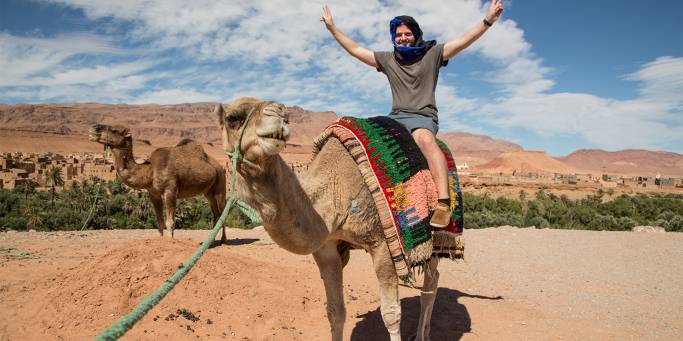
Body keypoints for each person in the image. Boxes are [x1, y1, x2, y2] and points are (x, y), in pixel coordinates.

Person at [322, 1, 503, 228]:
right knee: (365, 139)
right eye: (399, 34)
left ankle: (443, 205)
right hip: (395, 118)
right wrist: (332, 28)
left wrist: (487, 21)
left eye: (408, 34)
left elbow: (463, 41)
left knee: (425, 140)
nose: (403, 38)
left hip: (423, 117)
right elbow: (357, 50)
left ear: (416, 35)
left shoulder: (433, 54)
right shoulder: (388, 59)